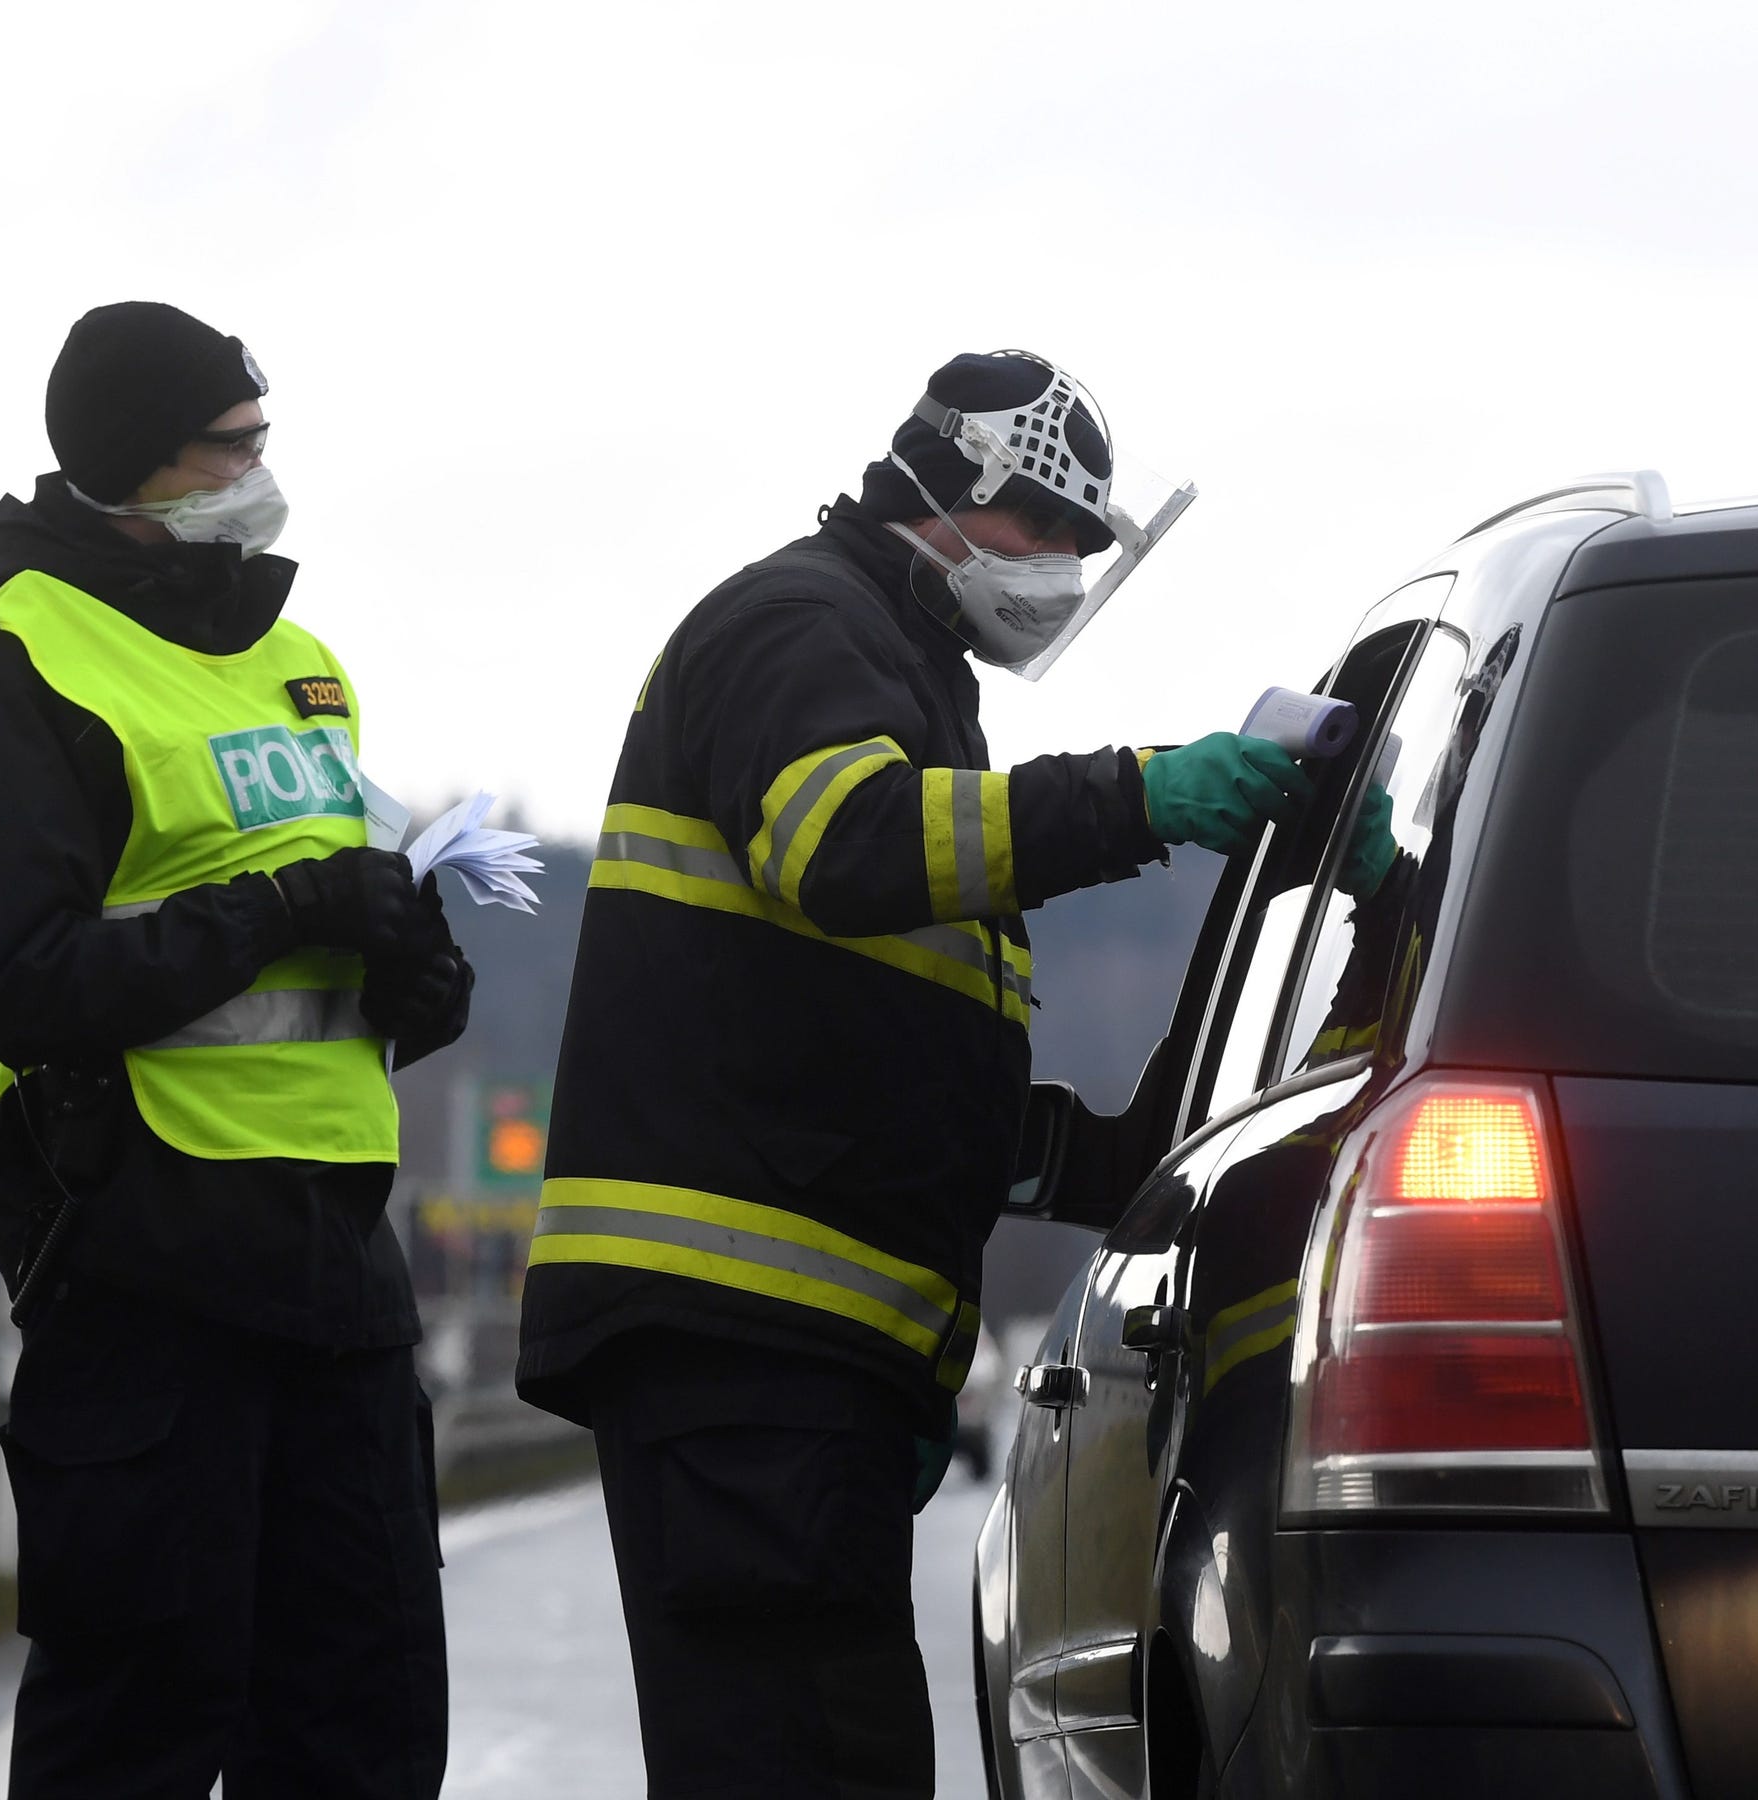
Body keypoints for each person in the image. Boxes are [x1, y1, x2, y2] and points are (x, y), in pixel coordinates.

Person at [517, 349, 1312, 1796]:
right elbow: (848, 848)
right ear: (966, 497)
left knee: (825, 1756)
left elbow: (883, 1072)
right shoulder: (803, 627)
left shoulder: (902, 671)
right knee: (799, 1760)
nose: (1064, 575)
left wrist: (1143, 1153)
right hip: (742, 1339)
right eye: (1051, 538)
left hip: (796, 1360)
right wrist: (1136, 798)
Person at [0, 301, 469, 1798]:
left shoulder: (306, 663)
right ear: (141, 462)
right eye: (233, 444)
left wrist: (415, 958)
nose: (262, 466)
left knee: (368, 1719)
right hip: (143, 1261)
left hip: (341, 1264)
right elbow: (26, 984)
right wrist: (290, 901)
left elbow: (348, 976)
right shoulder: (12, 670)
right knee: (139, 1725)